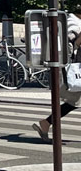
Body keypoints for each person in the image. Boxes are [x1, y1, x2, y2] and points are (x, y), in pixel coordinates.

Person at [32, 9, 81, 142]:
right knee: (73, 102)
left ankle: (46, 123)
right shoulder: (72, 23)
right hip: (74, 69)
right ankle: (46, 123)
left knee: (73, 103)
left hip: (75, 69)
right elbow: (73, 44)